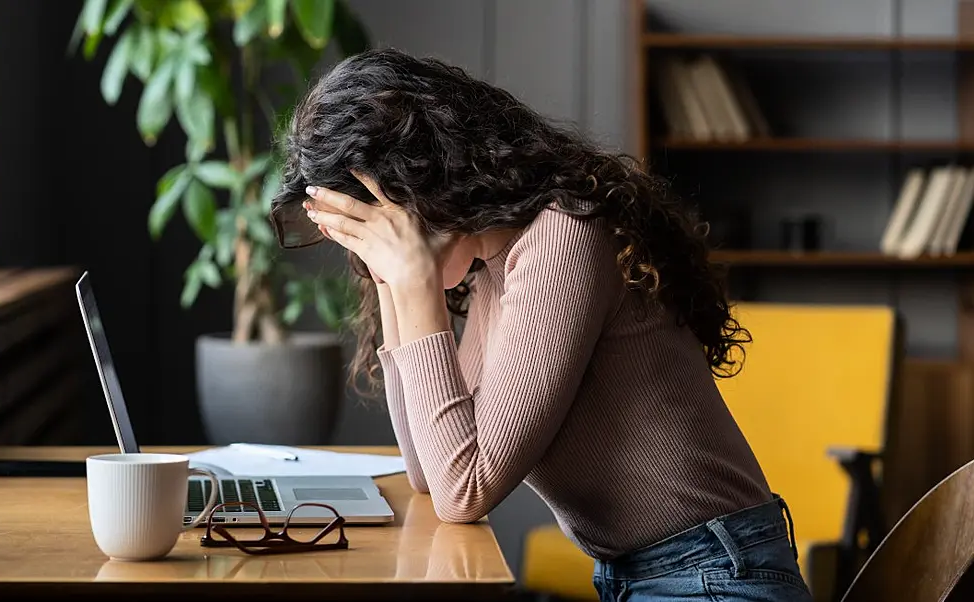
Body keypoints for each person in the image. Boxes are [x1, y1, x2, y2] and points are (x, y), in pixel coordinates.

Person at [269, 48, 813, 602]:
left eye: (372, 228)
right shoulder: (491, 266)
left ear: (420, 184)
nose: (368, 257)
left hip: (714, 578)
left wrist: (413, 282)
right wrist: (391, 282)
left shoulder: (562, 236)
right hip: (652, 576)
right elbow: (427, 473)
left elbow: (465, 491)